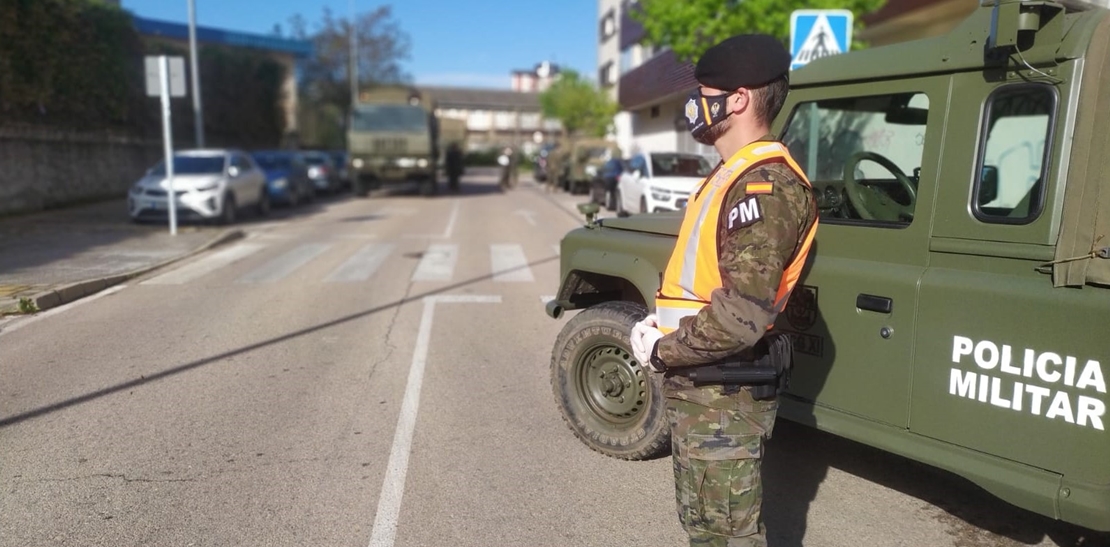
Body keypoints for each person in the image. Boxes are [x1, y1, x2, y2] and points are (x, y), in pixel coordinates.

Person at [628, 34, 819, 547]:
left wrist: (664, 350)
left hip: (724, 396)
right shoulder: (731, 174)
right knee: (706, 528)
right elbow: (707, 282)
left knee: (726, 537)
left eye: (703, 90)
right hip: (706, 389)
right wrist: (661, 323)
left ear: (737, 100)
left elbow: (741, 315)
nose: (694, 103)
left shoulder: (764, 186)